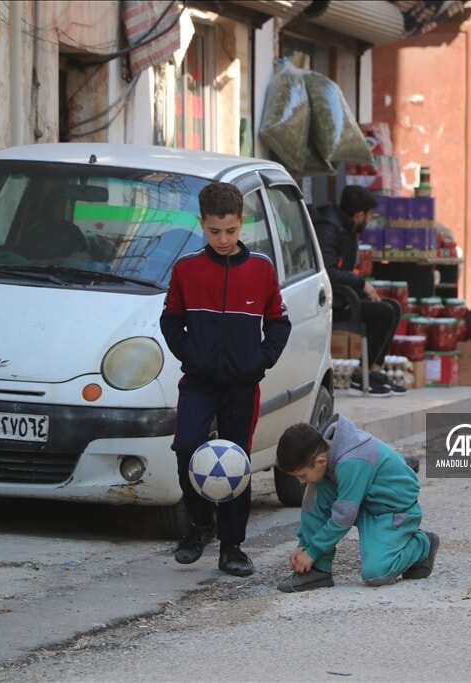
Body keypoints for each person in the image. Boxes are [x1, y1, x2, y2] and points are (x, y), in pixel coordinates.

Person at [160, 181, 292, 577]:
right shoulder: (187, 269)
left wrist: (260, 362)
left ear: (242, 224)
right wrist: (191, 356)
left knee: (236, 462)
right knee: (186, 449)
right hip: (198, 382)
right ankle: (201, 525)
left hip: (241, 385)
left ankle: (232, 546)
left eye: (230, 231)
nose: (222, 239)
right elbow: (171, 320)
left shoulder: (261, 269)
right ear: (201, 223)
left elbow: (279, 323)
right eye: (214, 231)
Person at [273, 417, 437, 592]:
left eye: (302, 475)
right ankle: (318, 570)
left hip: (391, 510)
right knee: (316, 491)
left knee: (376, 574)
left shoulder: (352, 460)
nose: (300, 481)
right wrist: (304, 545)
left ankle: (422, 544)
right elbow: (314, 508)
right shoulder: (325, 454)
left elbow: (343, 516)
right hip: (365, 501)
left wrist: (312, 552)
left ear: (321, 461)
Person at [312, 186, 405, 397]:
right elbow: (328, 271)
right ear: (359, 214)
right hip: (332, 302)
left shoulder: (349, 229)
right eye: (370, 215)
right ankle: (361, 376)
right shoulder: (330, 228)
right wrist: (361, 284)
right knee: (384, 313)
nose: (370, 220)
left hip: (345, 294)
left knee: (393, 306)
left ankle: (373, 371)